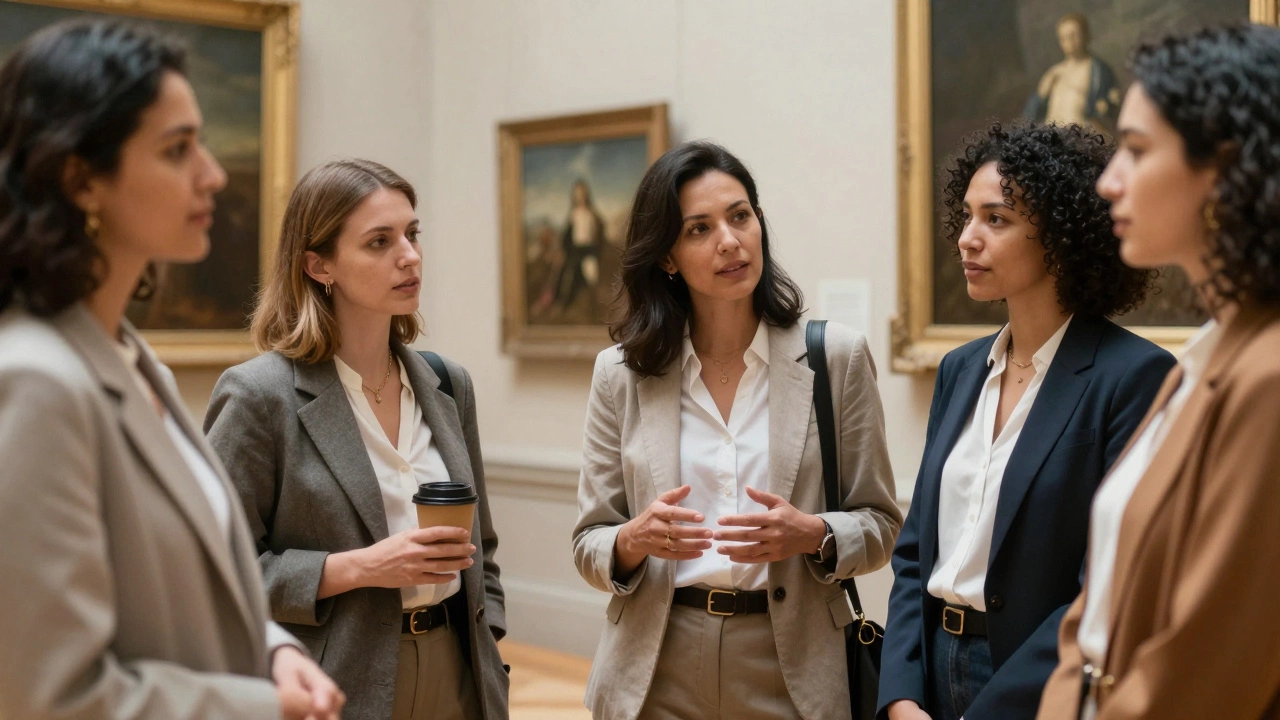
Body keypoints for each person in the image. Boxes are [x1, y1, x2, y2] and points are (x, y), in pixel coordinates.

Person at [0, 18, 342, 719]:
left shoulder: (127, 353)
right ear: (80, 178)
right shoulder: (36, 381)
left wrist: (272, 648)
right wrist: (262, 707)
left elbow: (190, 596)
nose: (213, 174)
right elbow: (48, 696)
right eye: (178, 149)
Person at [572, 140, 902, 720]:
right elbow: (589, 541)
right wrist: (633, 540)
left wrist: (813, 533)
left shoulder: (837, 357)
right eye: (699, 229)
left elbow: (880, 524)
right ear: (668, 258)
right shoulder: (620, 373)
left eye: (740, 216)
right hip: (654, 663)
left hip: (789, 663)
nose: (729, 240)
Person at [879, 121, 1174, 720]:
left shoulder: (1135, 376)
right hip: (930, 668)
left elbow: (1108, 585)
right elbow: (915, 555)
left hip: (1036, 682)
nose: (966, 239)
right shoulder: (961, 369)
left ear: (1062, 237)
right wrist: (901, 695)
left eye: (996, 219)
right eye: (965, 217)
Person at [204, 159, 509, 720]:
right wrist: (360, 568)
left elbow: (480, 547)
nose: (410, 255)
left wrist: (488, 635)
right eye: (379, 242)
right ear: (319, 265)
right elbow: (215, 574)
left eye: (412, 234)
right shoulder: (257, 396)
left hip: (460, 673)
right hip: (334, 679)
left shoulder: (448, 383)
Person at [1038, 24, 1280, 720]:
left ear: (1226, 169)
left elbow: (1209, 666)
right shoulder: (1202, 358)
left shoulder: (1266, 377)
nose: (1108, 180)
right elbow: (1097, 608)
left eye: (1137, 152)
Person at [1024, 14, 1121, 132]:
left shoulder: (1099, 71)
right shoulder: (1055, 72)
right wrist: (1040, 96)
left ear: (1086, 36)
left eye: (1073, 35)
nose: (1069, 41)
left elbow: (1112, 108)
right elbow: (1030, 114)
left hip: (1084, 139)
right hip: (1053, 141)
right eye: (1064, 37)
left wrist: (1105, 107)